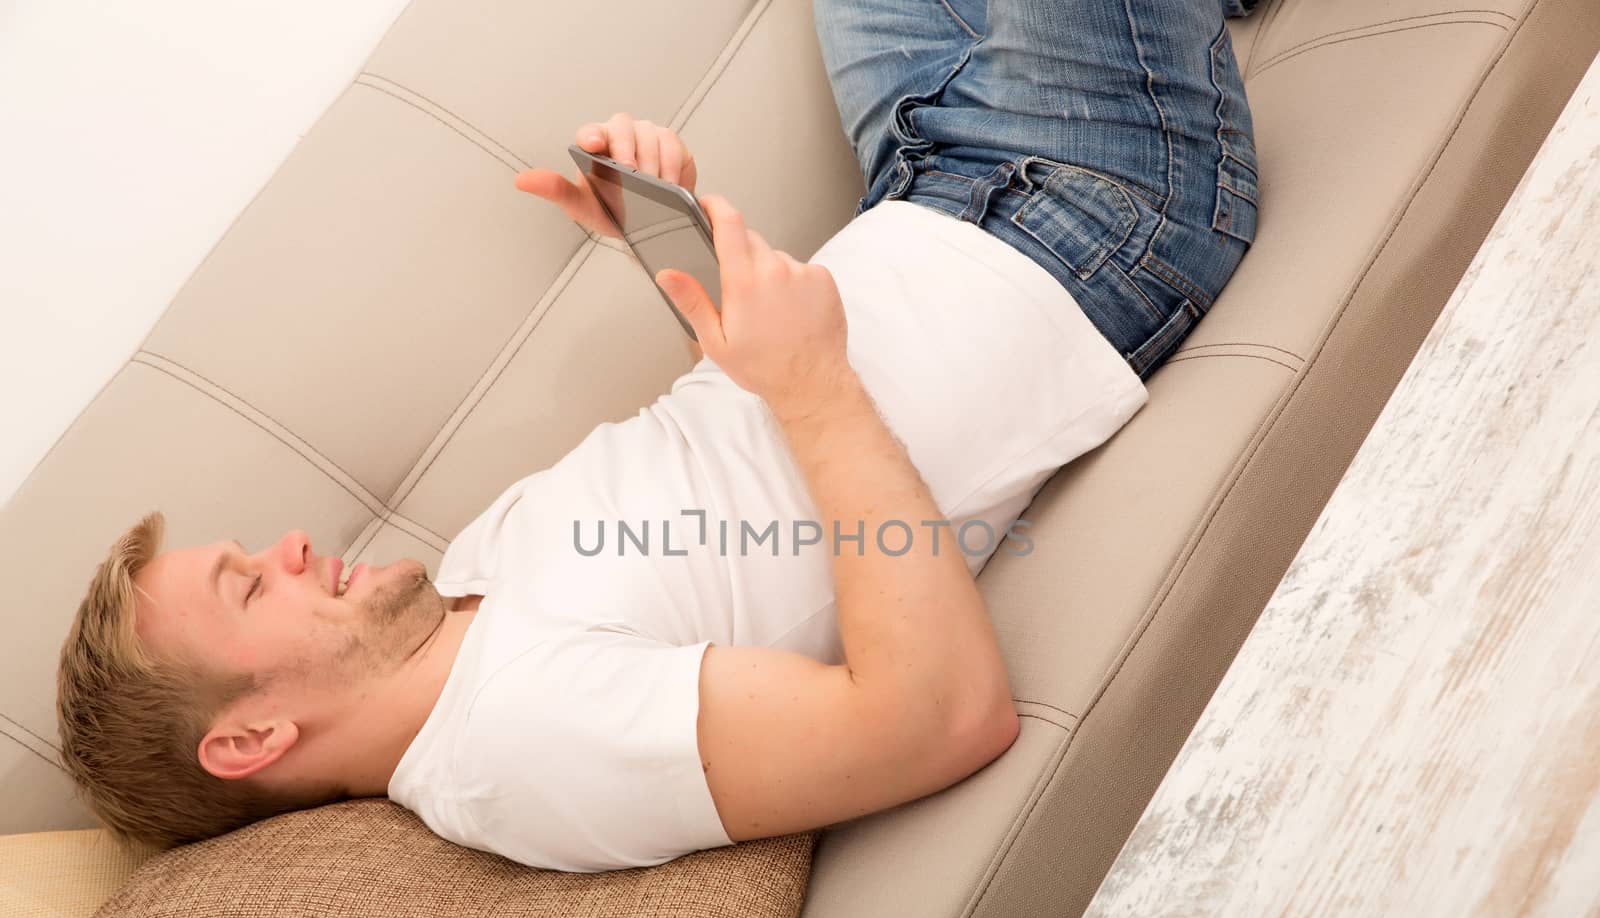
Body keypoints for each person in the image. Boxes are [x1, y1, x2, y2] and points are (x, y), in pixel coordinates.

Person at [56, 0, 1259, 872]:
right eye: (249, 583)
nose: (291, 544)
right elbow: (937, 716)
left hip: (929, 182)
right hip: (1095, 219)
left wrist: (669, 246)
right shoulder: (522, 751)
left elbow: (738, 497)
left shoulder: (468, 589)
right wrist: (812, 382)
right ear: (251, 736)